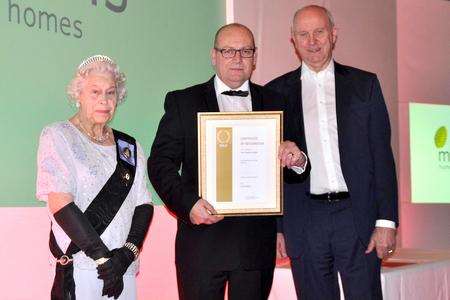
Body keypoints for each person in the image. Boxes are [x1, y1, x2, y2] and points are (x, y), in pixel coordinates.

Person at [148, 23, 306, 300]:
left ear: (255, 58)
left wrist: (297, 159)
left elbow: (295, 170)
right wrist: (189, 205)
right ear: (214, 56)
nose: (237, 58)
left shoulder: (275, 101)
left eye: (245, 51)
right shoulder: (183, 102)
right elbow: (160, 164)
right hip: (201, 244)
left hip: (255, 246)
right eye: (228, 50)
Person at [266, 5, 399, 300]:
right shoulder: (275, 92)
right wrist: (278, 228)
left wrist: (387, 221)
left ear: (333, 34)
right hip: (304, 221)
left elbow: (382, 155)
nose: (312, 41)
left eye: (319, 32)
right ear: (293, 40)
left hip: (357, 217)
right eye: (303, 34)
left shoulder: (365, 85)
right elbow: (272, 170)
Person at [36, 55, 153, 299]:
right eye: (95, 92)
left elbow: (144, 204)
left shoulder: (129, 147)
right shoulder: (58, 136)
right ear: (78, 94)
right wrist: (103, 258)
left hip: (123, 270)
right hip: (83, 268)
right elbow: (61, 204)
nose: (104, 100)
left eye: (111, 93)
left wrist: (125, 256)